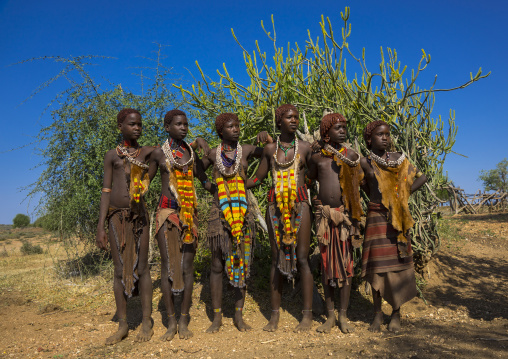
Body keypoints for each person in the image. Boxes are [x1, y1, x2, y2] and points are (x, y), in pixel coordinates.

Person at [199, 113, 272, 333]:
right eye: (231, 126)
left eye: (238, 126)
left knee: (241, 261)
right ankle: (217, 317)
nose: (236, 129)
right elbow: (196, 169)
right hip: (218, 213)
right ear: (221, 131)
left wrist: (251, 182)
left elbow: (271, 154)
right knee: (216, 265)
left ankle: (238, 317)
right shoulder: (212, 154)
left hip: (243, 213)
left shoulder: (247, 149)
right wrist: (211, 188)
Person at [246, 104, 314, 332]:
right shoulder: (269, 150)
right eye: (288, 117)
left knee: (303, 258)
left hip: (300, 206)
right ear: (279, 121)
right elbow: (257, 179)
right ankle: (274, 316)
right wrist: (231, 182)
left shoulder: (305, 148)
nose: (294, 120)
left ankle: (306, 315)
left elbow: (315, 175)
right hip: (275, 207)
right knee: (276, 260)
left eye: (296, 117)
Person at [360, 120, 427, 332]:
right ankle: (378, 315)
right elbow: (362, 187)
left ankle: (396, 314)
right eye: (380, 134)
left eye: (387, 134)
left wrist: (403, 195)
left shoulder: (401, 159)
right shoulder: (364, 162)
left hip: (398, 220)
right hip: (376, 218)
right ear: (369, 139)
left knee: (399, 265)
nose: (385, 138)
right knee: (377, 268)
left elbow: (422, 177)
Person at [148, 109, 209, 341]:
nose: (183, 127)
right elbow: (144, 182)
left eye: (186, 124)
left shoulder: (191, 153)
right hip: (166, 213)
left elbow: (204, 180)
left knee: (187, 265)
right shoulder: (157, 154)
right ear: (167, 127)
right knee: (167, 265)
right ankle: (170, 322)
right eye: (178, 124)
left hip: (188, 215)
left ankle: (184, 320)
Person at [96, 108, 155, 345]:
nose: (137, 128)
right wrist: (101, 226)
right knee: (119, 271)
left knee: (142, 268)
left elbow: (172, 151)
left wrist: (196, 141)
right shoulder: (112, 156)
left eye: (139, 124)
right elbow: (106, 191)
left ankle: (147, 320)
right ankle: (122, 325)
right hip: (115, 218)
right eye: (132, 124)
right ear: (120, 126)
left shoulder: (148, 152)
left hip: (139, 217)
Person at [307, 113, 363, 334]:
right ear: (326, 133)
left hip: (345, 218)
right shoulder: (318, 158)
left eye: (344, 127)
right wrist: (316, 202)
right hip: (325, 218)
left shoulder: (352, 156)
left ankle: (343, 315)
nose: (342, 130)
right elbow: (309, 179)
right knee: (326, 265)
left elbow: (360, 185)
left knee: (347, 266)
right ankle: (329, 316)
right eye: (337, 128)